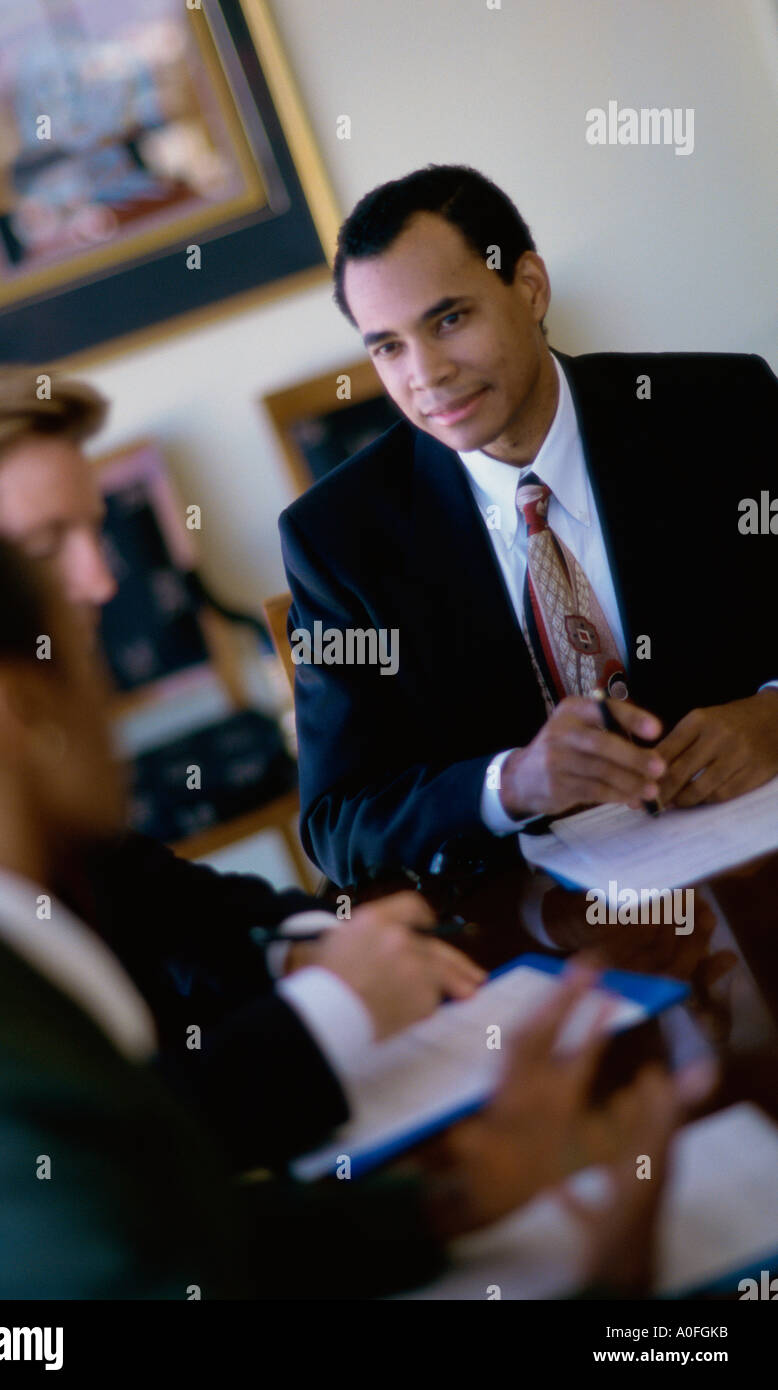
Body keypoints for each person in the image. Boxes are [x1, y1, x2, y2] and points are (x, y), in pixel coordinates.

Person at [0, 513, 677, 1298]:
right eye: (83, 664)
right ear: (20, 712)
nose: (111, 705)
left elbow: (165, 1219)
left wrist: (463, 1197)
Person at [0, 367, 484, 1169]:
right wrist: (336, 1006)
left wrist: (312, 950)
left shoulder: (37, 770)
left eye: (94, 532)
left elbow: (181, 906)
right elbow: (98, 1159)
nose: (102, 581)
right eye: (48, 547)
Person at [279, 164, 778, 888]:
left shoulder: (721, 410)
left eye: (450, 319)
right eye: (388, 346)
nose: (427, 376)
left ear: (531, 288)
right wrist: (507, 785)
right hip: (555, 931)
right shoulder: (341, 540)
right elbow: (338, 822)